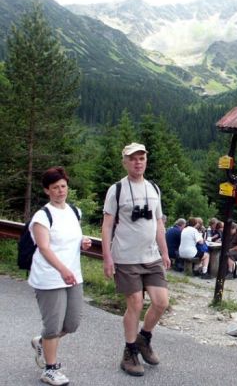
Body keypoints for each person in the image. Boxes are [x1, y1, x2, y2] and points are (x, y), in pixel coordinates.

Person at [101, 142, 170, 377]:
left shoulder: (154, 189)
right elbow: (108, 224)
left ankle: (144, 338)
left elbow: (159, 223)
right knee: (136, 303)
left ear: (146, 160)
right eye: (132, 159)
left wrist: (165, 252)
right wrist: (107, 257)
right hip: (126, 257)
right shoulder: (117, 190)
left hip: (151, 257)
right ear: (125, 162)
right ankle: (129, 352)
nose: (137, 162)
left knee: (161, 302)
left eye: (141, 158)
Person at [28, 166, 92, 386]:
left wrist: (83, 242)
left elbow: (72, 239)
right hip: (49, 277)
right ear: (47, 190)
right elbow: (45, 248)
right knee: (53, 325)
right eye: (54, 188)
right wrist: (62, 270)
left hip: (73, 275)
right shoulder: (42, 216)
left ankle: (43, 341)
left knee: (72, 323)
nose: (60, 191)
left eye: (63, 186)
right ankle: (50, 369)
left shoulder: (75, 211)